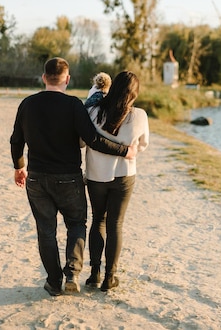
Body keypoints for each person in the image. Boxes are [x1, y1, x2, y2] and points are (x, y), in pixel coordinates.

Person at [10, 57, 137, 297]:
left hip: (37, 178)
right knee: (76, 224)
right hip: (68, 178)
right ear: (67, 79)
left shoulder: (27, 104)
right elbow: (93, 140)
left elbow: (16, 139)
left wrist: (19, 166)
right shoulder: (74, 105)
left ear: (44, 77)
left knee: (45, 230)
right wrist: (124, 150)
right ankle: (72, 274)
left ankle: (54, 281)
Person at [84, 70, 149, 291]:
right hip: (124, 175)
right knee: (115, 225)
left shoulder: (93, 111)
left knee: (98, 221)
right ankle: (109, 277)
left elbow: (83, 141)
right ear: (133, 93)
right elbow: (143, 144)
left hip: (96, 175)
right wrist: (129, 150)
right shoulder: (139, 115)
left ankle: (94, 274)